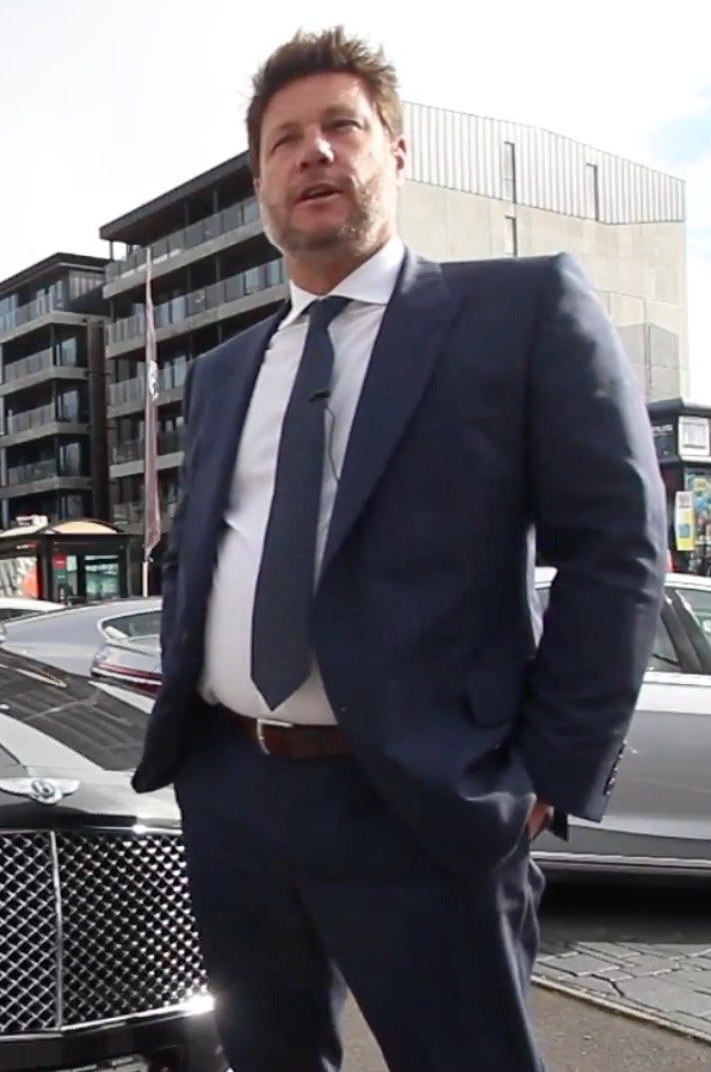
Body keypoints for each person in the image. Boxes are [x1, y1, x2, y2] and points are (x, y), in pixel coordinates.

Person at [130, 25, 667, 1072]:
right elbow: (202, 554)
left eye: (342, 126)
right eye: (285, 141)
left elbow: (617, 549)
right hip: (234, 794)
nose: (314, 154)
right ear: (260, 181)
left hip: (425, 801)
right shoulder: (224, 371)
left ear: (396, 150)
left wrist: (545, 771)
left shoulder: (518, 312)